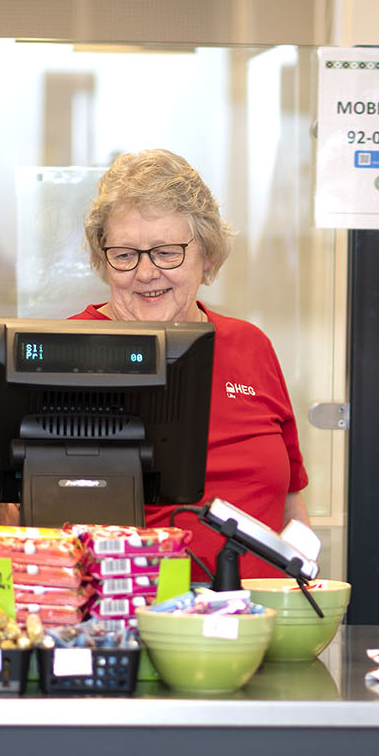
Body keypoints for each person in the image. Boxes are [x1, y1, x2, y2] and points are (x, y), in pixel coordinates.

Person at [72, 149, 309, 578]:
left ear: (208, 255)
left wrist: (306, 591)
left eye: (167, 253)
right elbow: (16, 510)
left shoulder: (250, 346)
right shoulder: (66, 350)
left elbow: (291, 500)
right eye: (125, 254)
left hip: (262, 614)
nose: (146, 273)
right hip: (127, 611)